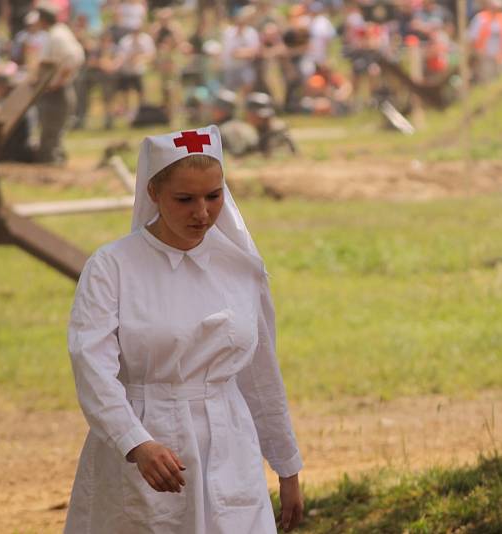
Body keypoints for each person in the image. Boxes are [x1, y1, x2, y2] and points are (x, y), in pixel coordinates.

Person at [64, 124, 304, 533]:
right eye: (185, 199)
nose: (202, 212)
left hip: (230, 443)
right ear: (154, 193)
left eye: (213, 196)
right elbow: (92, 367)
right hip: (149, 443)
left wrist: (287, 466)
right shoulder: (113, 267)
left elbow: (260, 373)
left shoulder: (240, 269)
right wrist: (135, 442)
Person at [34, 2, 85, 164]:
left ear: (43, 19)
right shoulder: (59, 32)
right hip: (58, 89)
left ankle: (51, 165)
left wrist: (59, 81)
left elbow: (73, 58)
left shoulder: (58, 35)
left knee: (52, 130)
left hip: (58, 91)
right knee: (52, 130)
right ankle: (51, 161)